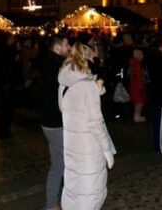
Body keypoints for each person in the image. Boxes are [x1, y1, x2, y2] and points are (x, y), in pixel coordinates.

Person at [58, 42, 115, 210]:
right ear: (88, 59)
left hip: (72, 145)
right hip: (89, 147)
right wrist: (107, 150)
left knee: (75, 188)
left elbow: (65, 107)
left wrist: (96, 90)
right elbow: (95, 122)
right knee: (90, 191)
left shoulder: (65, 82)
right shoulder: (87, 85)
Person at [41, 35, 70, 210]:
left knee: (58, 165)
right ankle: (63, 203)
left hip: (48, 122)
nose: (69, 47)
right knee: (67, 164)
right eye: (66, 44)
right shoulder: (57, 66)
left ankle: (52, 204)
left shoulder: (49, 63)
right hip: (56, 123)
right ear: (57, 47)